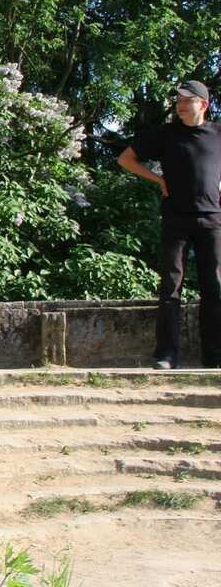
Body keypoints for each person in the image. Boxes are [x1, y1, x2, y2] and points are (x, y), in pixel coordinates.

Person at [118, 79, 221, 369]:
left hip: (213, 220)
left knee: (215, 288)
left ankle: (214, 356)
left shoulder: (218, 134)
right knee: (171, 286)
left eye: (187, 100)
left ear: (203, 104)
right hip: (176, 219)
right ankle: (167, 355)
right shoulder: (165, 135)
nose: (180, 105)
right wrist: (158, 179)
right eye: (178, 100)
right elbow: (126, 159)